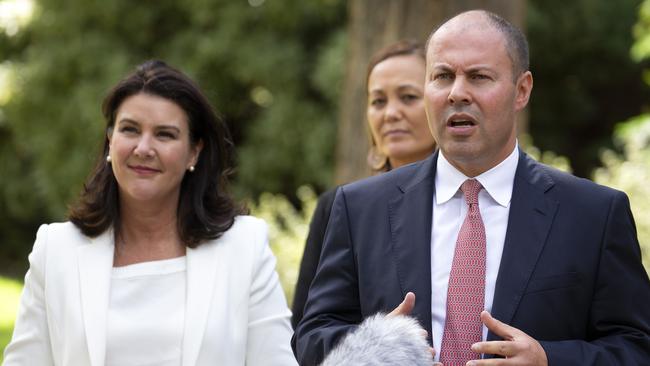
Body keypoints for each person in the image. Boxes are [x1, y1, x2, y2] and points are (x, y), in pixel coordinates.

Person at [293, 9, 650, 366]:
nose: (457, 93)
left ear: (521, 90)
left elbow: (636, 347)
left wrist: (548, 359)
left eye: (479, 77)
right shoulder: (359, 209)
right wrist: (374, 346)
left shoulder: (593, 213)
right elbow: (310, 337)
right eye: (443, 77)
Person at [3, 60, 297, 366]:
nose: (144, 148)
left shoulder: (244, 246)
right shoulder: (56, 249)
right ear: (110, 140)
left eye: (165, 135)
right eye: (130, 129)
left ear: (194, 152)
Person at [291, 40, 437, 328]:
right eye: (378, 101)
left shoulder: (472, 201)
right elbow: (307, 329)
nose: (390, 113)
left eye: (408, 97)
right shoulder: (338, 207)